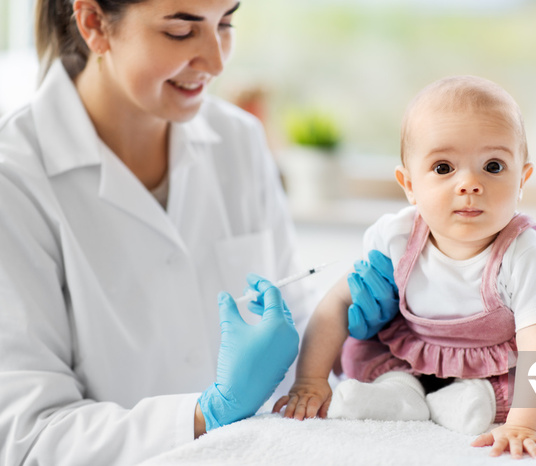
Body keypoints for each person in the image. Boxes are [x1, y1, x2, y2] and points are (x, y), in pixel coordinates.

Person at [0, 1, 394, 464]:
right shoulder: (16, 179)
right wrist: (206, 413)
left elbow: (299, 331)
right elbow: (27, 437)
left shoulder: (240, 142)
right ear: (93, 23)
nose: (217, 60)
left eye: (225, 23)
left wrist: (355, 340)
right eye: (180, 32)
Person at [274, 75, 536, 459]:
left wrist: (524, 424)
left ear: (522, 179)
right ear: (409, 184)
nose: (470, 183)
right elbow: (337, 304)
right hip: (414, 354)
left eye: (493, 166)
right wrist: (309, 380)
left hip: (501, 362)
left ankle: (480, 399)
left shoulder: (525, 252)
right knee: (356, 349)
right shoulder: (398, 236)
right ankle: (398, 392)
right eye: (443, 168)